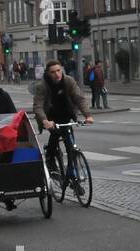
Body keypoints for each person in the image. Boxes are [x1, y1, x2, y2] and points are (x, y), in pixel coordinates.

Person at [31, 59, 93, 193]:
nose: (57, 74)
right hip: (50, 117)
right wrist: (44, 121)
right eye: (53, 72)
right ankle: (51, 160)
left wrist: (88, 115)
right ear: (48, 73)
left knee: (71, 147)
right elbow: (38, 106)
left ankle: (73, 177)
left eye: (59, 71)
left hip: (66, 114)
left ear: (62, 70)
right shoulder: (42, 85)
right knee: (55, 133)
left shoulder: (68, 81)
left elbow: (79, 98)